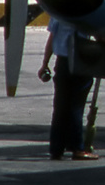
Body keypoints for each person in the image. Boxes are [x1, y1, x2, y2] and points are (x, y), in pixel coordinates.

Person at [39, 18, 97, 160]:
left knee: (60, 107)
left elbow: (52, 38)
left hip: (62, 62)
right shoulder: (85, 11)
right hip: (79, 59)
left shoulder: (58, 12)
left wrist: (45, 63)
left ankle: (56, 148)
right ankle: (77, 147)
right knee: (76, 106)